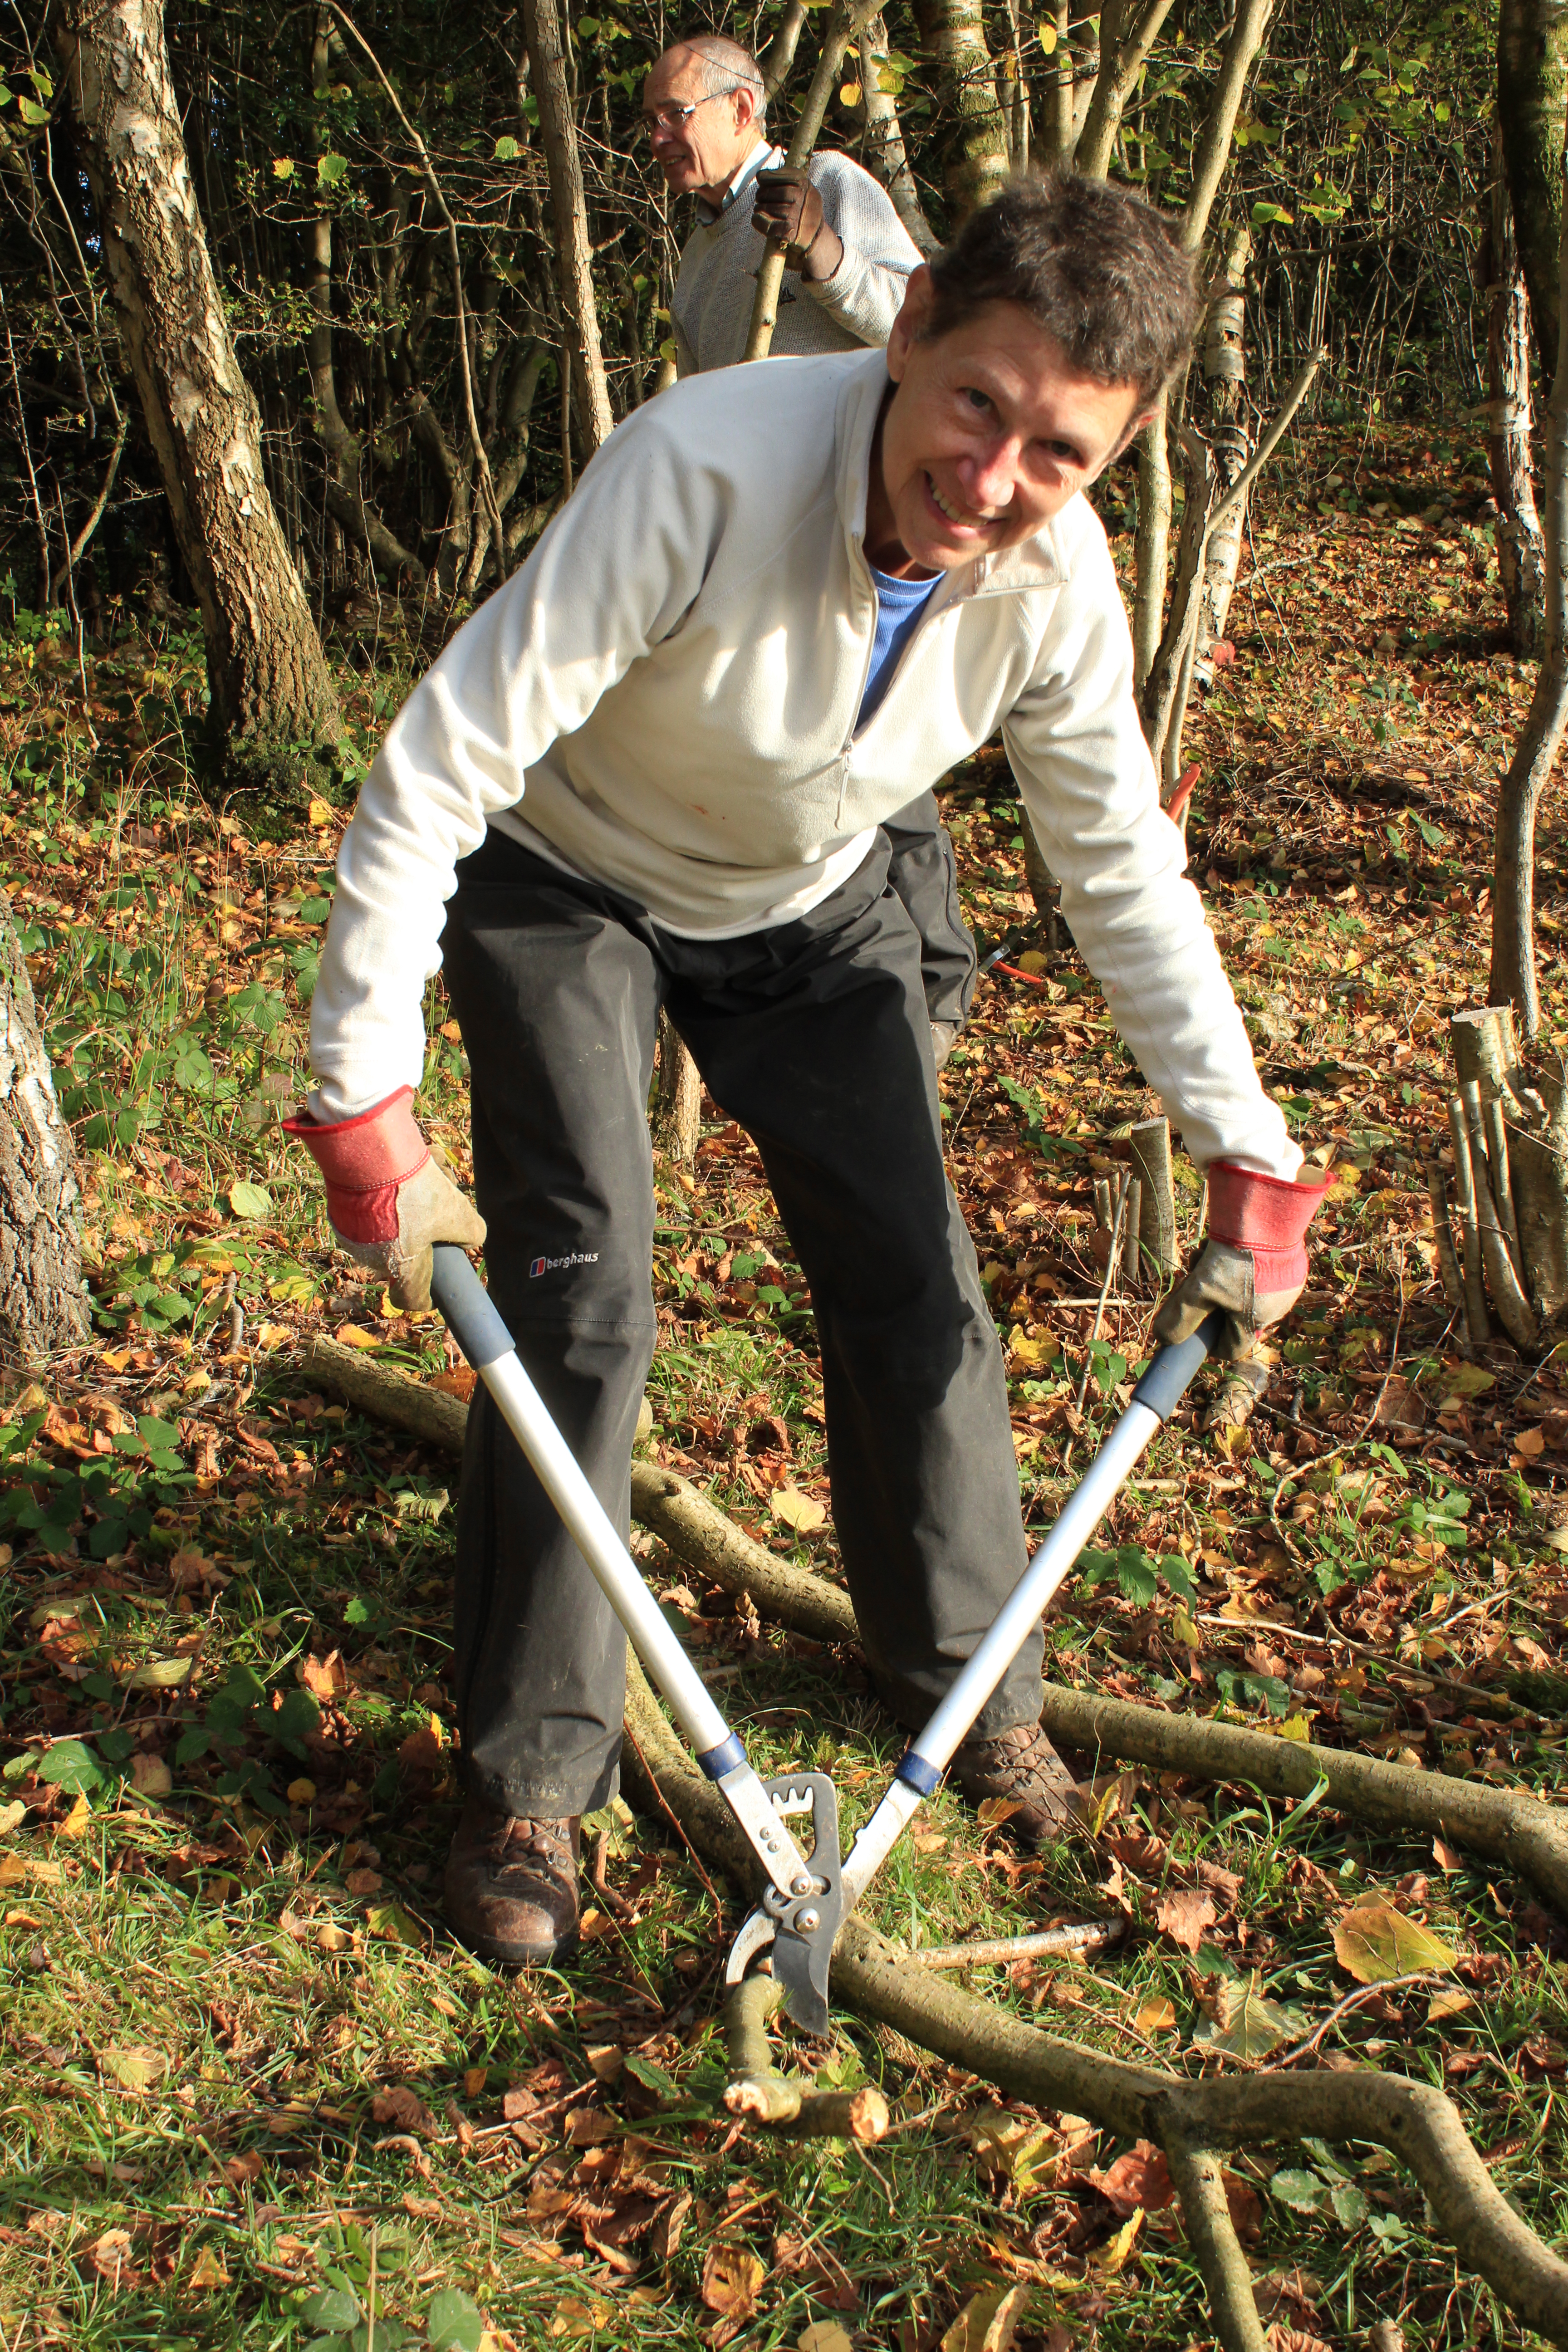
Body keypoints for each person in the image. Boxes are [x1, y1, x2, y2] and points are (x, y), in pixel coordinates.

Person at [288, 173, 1328, 1970]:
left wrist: (1246, 1146)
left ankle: (967, 1674)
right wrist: (364, 1100)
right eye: (978, 406)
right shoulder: (703, 464)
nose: (995, 481)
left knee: (915, 1279)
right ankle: (537, 1777)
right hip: (568, 873)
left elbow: (1118, 874)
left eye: (1061, 454)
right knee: (582, 1289)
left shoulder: (1056, 584)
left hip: (817, 897)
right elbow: (442, 764)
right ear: (911, 329)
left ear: (1118, 455)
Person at [642, 31, 973, 1063]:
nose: (656, 137)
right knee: (803, 755)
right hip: (765, 539)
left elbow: (920, 328)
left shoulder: (824, 180)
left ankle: (936, 992)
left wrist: (824, 251)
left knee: (882, 750)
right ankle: (845, 992)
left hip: (870, 526)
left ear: (743, 112)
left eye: (674, 114)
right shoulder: (697, 258)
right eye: (650, 120)